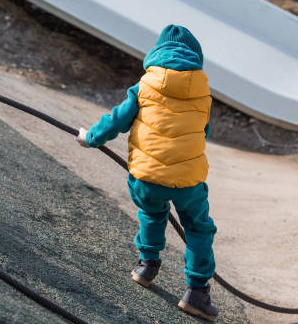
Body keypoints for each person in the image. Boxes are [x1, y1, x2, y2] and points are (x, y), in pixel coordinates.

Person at [75, 24, 218, 321]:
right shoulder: (203, 94)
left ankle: (147, 266)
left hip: (146, 177)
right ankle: (196, 292)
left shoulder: (144, 86)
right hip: (187, 182)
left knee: (152, 214)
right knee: (198, 228)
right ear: (196, 59)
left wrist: (90, 138)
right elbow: (202, 132)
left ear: (157, 54)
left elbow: (116, 121)